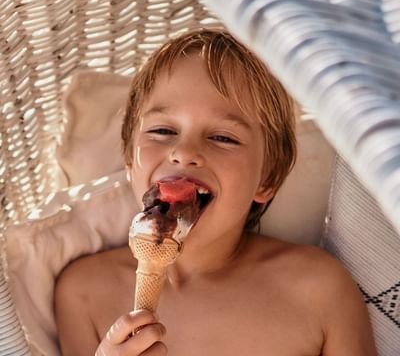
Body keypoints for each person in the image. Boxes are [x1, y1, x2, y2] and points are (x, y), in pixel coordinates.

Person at [54, 29, 377, 356]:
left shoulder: (319, 289)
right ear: (129, 162)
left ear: (267, 179)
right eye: (163, 130)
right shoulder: (84, 292)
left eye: (223, 137)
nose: (183, 151)